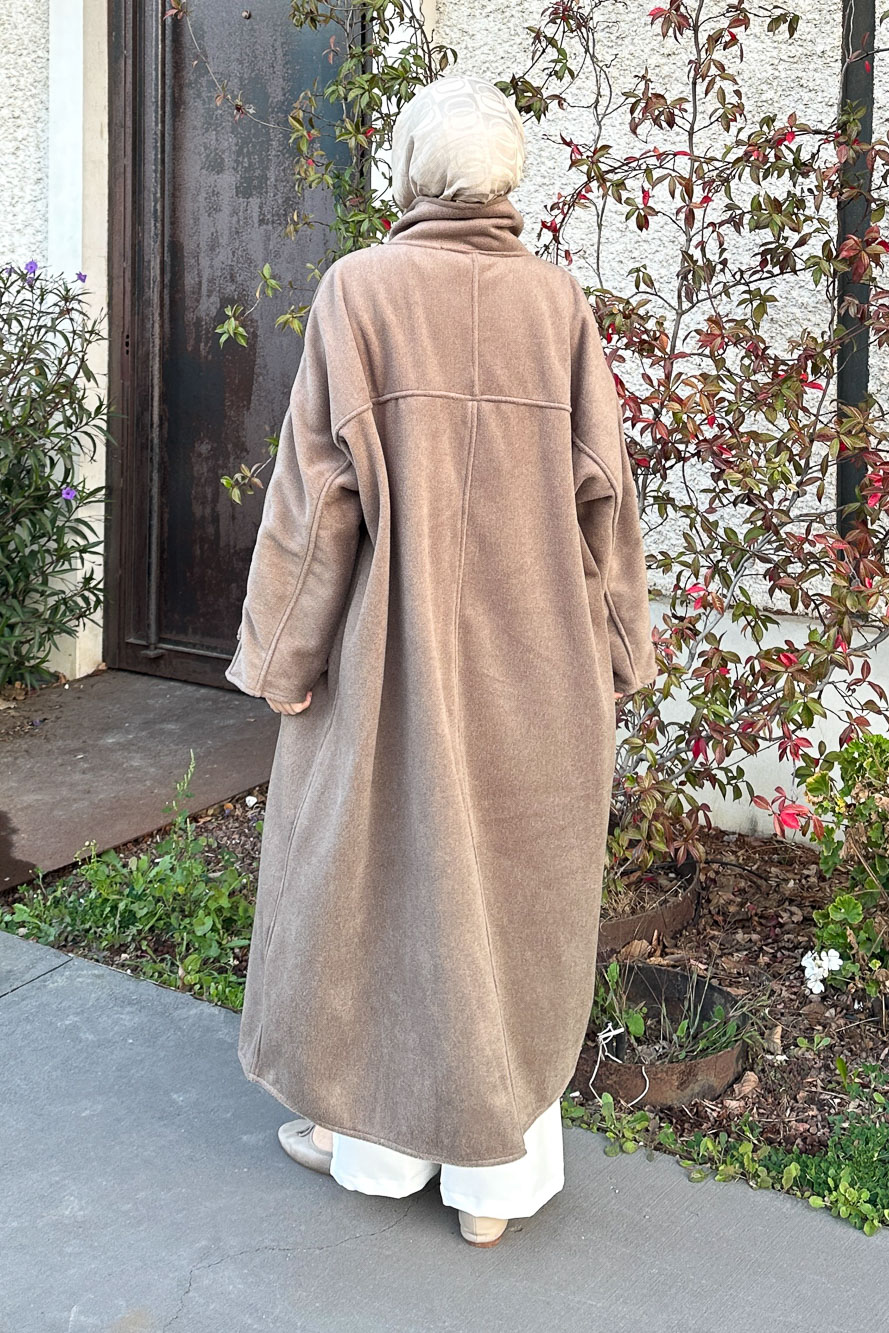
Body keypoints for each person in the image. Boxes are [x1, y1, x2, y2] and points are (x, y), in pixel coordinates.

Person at [225, 72, 657, 1248]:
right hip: (540, 661)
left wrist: (282, 659)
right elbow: (604, 494)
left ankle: (371, 1145)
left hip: (392, 657)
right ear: (503, 180)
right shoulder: (555, 301)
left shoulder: (359, 291)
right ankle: (493, 1190)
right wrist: (621, 647)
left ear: (412, 172)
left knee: (377, 877)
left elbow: (317, 503)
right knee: (512, 896)